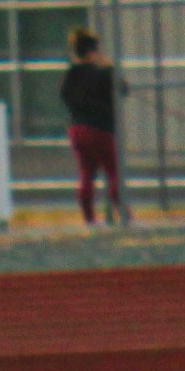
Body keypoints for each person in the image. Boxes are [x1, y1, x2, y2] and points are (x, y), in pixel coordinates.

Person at [59, 29, 125, 226]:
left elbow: (64, 97)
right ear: (92, 51)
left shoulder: (70, 74)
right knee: (113, 171)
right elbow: (122, 88)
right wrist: (109, 66)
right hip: (101, 129)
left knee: (86, 171)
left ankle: (89, 218)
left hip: (77, 128)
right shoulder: (103, 73)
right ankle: (123, 213)